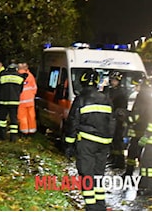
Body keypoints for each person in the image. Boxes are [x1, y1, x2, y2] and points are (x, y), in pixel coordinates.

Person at [65, 70, 114, 211]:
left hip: (87, 142)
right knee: (98, 174)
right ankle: (100, 205)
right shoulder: (106, 99)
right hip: (103, 143)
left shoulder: (80, 99)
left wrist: (69, 143)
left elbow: (73, 121)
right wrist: (110, 140)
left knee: (87, 174)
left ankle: (91, 206)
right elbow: (112, 122)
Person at [124, 75, 149, 177]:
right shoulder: (148, 95)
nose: (135, 88)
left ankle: (130, 173)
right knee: (138, 152)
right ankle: (140, 174)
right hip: (143, 129)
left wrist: (128, 119)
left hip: (139, 128)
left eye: (137, 85)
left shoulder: (142, 96)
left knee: (134, 151)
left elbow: (138, 113)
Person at [103, 71, 129, 169]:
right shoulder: (109, 90)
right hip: (111, 118)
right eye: (112, 80)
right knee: (113, 140)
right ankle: (113, 157)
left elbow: (122, 108)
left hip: (119, 120)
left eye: (115, 80)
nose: (113, 82)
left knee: (118, 141)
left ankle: (120, 161)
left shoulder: (121, 92)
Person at [0, 63, 27, 142]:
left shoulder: (2, 75)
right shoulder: (19, 77)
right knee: (13, 119)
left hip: (2, 101)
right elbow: (21, 89)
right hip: (14, 101)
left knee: (2, 119)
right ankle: (13, 137)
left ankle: (2, 135)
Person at [17, 62, 38, 136]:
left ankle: (24, 131)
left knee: (22, 117)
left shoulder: (17, 75)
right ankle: (32, 131)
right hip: (30, 101)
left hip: (21, 101)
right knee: (31, 116)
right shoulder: (30, 76)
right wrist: (31, 96)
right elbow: (34, 88)